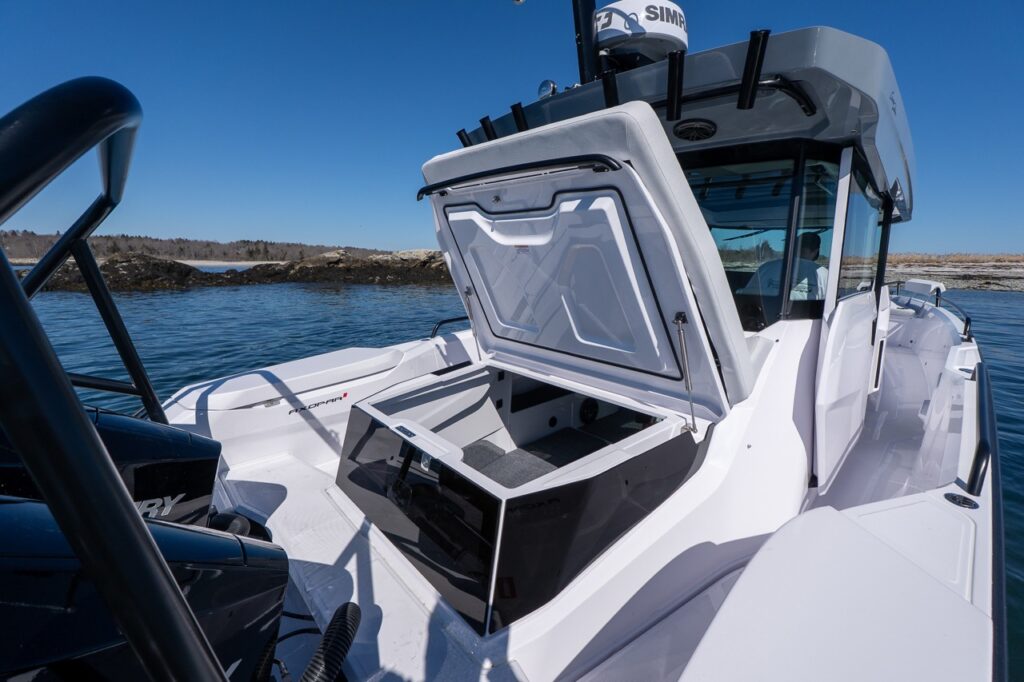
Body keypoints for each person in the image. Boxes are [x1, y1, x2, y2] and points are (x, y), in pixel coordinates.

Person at [739, 232, 828, 301]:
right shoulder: (824, 274)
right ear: (816, 251)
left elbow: (747, 295)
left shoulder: (766, 268)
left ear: (794, 247)